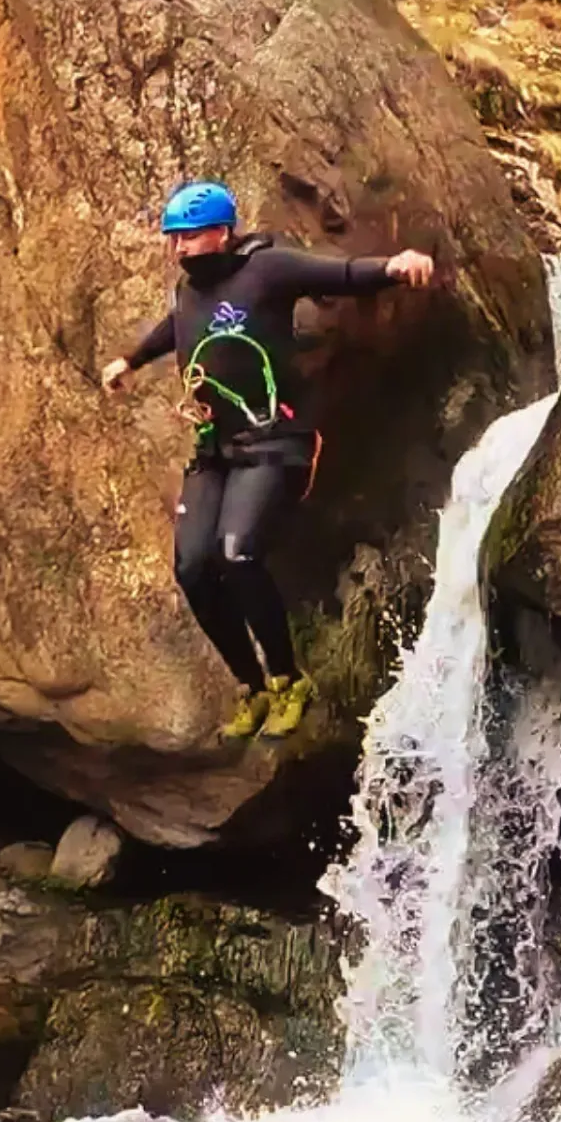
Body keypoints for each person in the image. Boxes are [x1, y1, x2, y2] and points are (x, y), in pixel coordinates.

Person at [103, 179, 436, 741]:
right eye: (173, 239)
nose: (178, 249)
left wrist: (395, 264)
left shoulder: (267, 270)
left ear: (222, 233)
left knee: (236, 554)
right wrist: (131, 360)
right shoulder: (188, 292)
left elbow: (341, 274)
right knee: (191, 568)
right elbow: (177, 327)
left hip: (277, 444)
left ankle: (288, 680)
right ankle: (252, 688)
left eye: (189, 237)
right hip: (215, 451)